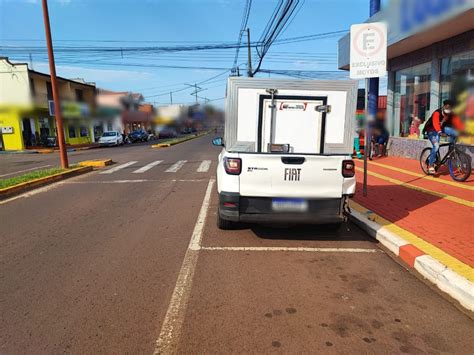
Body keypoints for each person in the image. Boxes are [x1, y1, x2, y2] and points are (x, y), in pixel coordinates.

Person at [423, 100, 464, 174]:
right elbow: (435, 123)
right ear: (443, 106)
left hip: (441, 129)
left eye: (450, 108)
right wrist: (439, 132)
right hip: (431, 130)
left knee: (456, 133)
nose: (448, 109)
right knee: (436, 146)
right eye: (447, 107)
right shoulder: (437, 113)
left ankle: (451, 149)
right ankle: (431, 165)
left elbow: (457, 122)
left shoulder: (450, 114)